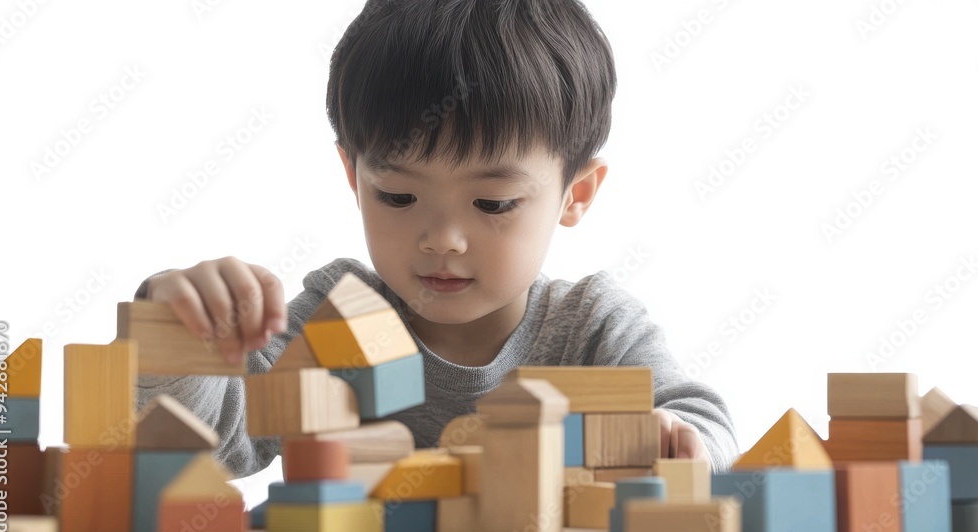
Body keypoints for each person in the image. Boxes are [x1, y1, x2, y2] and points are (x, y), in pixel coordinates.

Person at [135, 0, 739, 478]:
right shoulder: (339, 320)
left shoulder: (593, 329)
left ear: (575, 195)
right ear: (353, 176)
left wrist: (676, 439)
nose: (443, 240)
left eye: (493, 203)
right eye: (397, 197)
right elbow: (215, 449)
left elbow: (701, 419)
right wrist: (176, 335)